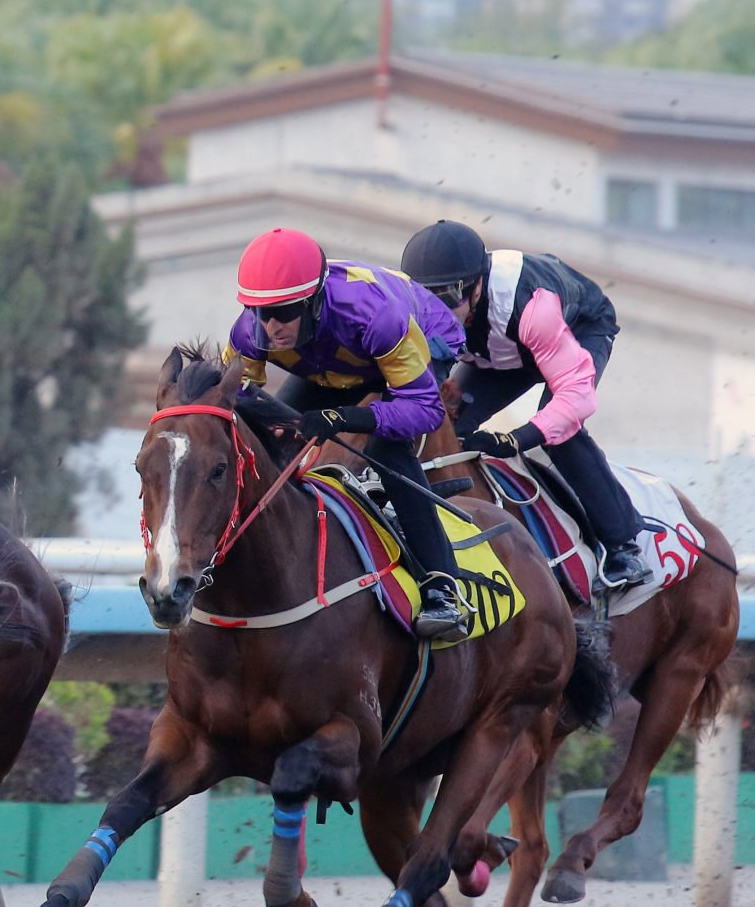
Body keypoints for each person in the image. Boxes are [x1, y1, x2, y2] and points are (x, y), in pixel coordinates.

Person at [225, 227, 470, 640]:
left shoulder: (376, 315)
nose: (271, 327)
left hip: (419, 336)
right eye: (260, 312)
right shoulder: (250, 332)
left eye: (284, 311)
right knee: (275, 443)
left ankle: (442, 588)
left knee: (388, 449)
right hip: (333, 357)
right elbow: (234, 400)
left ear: (313, 301)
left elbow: (425, 410)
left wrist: (345, 418)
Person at [400, 219, 650, 588]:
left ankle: (623, 546)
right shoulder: (428, 306)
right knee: (444, 427)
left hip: (575, 330)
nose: (437, 310)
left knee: (559, 435)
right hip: (500, 351)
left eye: (449, 296)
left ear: (478, 285)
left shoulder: (534, 308)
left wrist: (515, 439)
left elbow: (575, 398)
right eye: (426, 297)